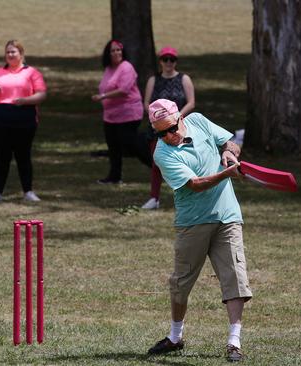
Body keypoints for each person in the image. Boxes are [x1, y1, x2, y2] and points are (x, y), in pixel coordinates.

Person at [145, 99, 251, 362]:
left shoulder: (199, 121)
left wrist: (229, 153)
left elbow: (229, 142)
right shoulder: (162, 153)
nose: (168, 136)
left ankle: (234, 342)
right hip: (193, 222)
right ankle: (175, 336)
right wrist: (227, 173)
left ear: (181, 118)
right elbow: (195, 184)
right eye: (160, 133)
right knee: (181, 283)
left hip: (227, 216)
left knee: (235, 276)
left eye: (170, 128)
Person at [0, 40, 47, 202]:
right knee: (2, 156)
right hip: (1, 119)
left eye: (13, 52)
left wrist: (25, 100)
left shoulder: (32, 72)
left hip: (25, 118)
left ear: (21, 54)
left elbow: (42, 94)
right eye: (8, 52)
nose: (10, 55)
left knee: (23, 156)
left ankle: (28, 192)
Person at [141, 46, 195, 210]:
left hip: (179, 127)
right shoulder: (154, 80)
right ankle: (154, 197)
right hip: (159, 129)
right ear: (161, 62)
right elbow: (147, 103)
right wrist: (158, 120)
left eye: (172, 59)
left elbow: (191, 102)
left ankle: (188, 196)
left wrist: (177, 117)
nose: (169, 63)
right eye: (165, 59)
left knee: (184, 161)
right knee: (157, 162)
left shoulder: (184, 79)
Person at [91, 40, 151, 184]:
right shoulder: (109, 68)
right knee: (113, 147)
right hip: (111, 116)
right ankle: (114, 176)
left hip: (128, 114)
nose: (117, 53)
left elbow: (124, 90)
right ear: (108, 54)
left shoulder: (126, 67)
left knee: (132, 145)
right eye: (113, 51)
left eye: (119, 50)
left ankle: (158, 168)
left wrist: (103, 96)